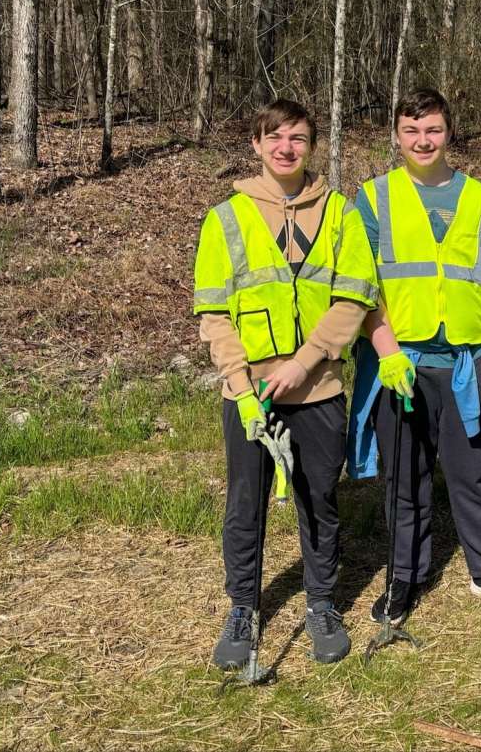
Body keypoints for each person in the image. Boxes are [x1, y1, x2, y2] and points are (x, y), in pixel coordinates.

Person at [192, 99, 379, 668]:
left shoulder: (343, 214)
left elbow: (354, 296)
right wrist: (242, 387)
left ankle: (322, 604)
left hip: (317, 388)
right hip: (249, 395)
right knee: (244, 505)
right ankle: (243, 610)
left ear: (311, 145)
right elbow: (214, 313)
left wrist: (305, 362)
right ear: (256, 144)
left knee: (318, 500)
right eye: (274, 137)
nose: (285, 147)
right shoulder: (226, 218)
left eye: (297, 137)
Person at [347, 88, 481, 627]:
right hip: (400, 364)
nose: (423, 141)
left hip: (468, 362)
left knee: (472, 472)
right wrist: (388, 352)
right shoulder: (374, 199)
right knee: (405, 476)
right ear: (396, 135)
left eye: (434, 130)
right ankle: (405, 575)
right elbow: (362, 288)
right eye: (411, 131)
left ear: (449, 133)